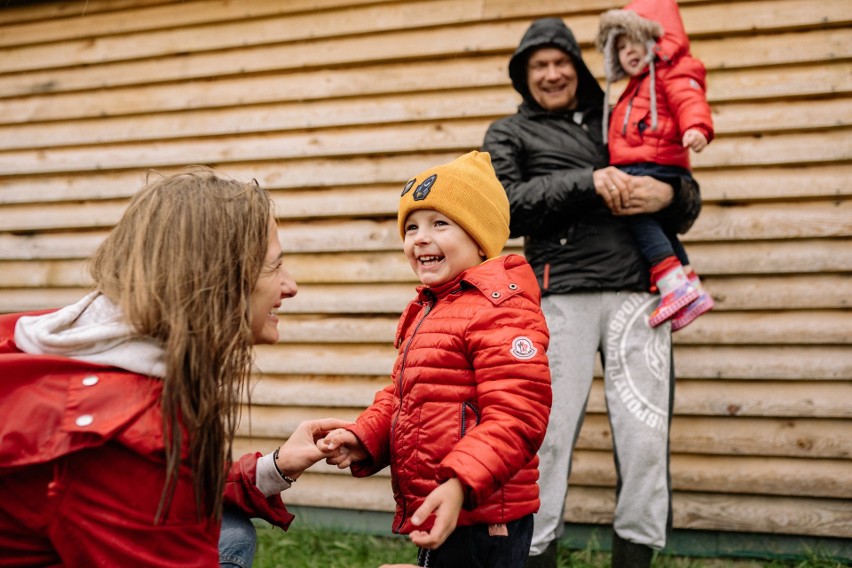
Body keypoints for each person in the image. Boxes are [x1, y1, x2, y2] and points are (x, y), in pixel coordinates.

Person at [0, 167, 349, 567]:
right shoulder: (129, 434)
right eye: (274, 267)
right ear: (215, 278)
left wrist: (275, 467)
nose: (290, 286)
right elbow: (139, 479)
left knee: (231, 532)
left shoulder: (71, 337)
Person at [481, 17, 702, 568]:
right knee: (547, 440)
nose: (553, 74)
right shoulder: (508, 134)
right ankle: (534, 554)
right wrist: (588, 181)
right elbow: (504, 205)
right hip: (559, 298)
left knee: (645, 440)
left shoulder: (622, 112)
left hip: (640, 296)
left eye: (561, 62)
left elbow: (686, 194)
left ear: (578, 67)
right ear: (523, 76)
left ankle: (635, 556)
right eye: (540, 66)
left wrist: (668, 194)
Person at [320, 151, 552, 568]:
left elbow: (519, 414)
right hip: (442, 499)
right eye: (411, 227)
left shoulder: (502, 309)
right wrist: (365, 437)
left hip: (484, 514)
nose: (420, 238)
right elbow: (404, 397)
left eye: (439, 224)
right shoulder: (432, 306)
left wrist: (460, 482)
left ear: (480, 238)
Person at [596, 0, 715, 330]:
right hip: (648, 162)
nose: (628, 51)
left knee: (639, 218)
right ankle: (690, 283)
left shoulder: (672, 71)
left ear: (658, 40)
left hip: (656, 164)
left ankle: (671, 284)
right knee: (661, 227)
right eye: (620, 46)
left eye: (636, 40)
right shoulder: (635, 85)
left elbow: (689, 99)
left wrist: (696, 128)